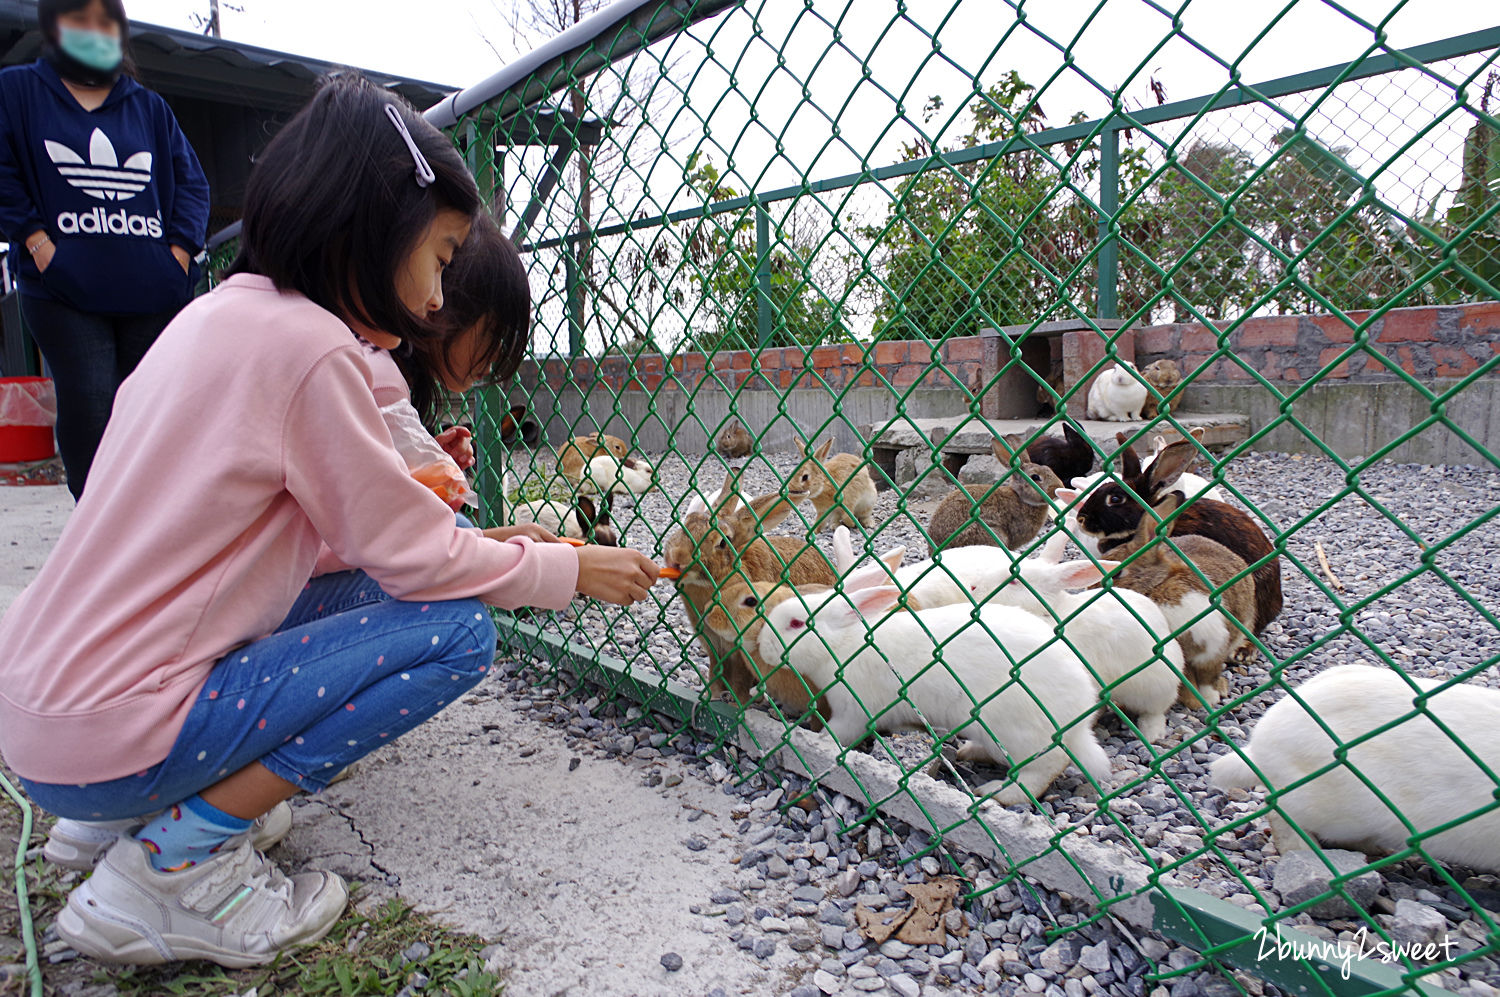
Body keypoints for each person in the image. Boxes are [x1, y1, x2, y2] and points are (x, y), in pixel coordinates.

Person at [0, 73, 658, 968]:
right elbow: (415, 565)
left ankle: (112, 813)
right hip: (114, 723)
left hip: (49, 711)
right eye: (439, 256)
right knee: (456, 634)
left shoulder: (215, 319)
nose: (436, 300)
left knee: (382, 591)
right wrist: (569, 573)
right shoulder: (313, 350)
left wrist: (488, 544)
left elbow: (335, 550)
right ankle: (170, 865)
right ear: (373, 225)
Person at [0, 0, 210, 499]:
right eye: (79, 20)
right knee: (90, 408)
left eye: (104, 21)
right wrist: (39, 242)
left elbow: (193, 185)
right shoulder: (18, 90)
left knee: (154, 411)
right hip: (64, 289)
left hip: (152, 289)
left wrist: (177, 254)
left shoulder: (148, 107)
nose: (93, 32)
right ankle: (98, 528)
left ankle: (153, 524)